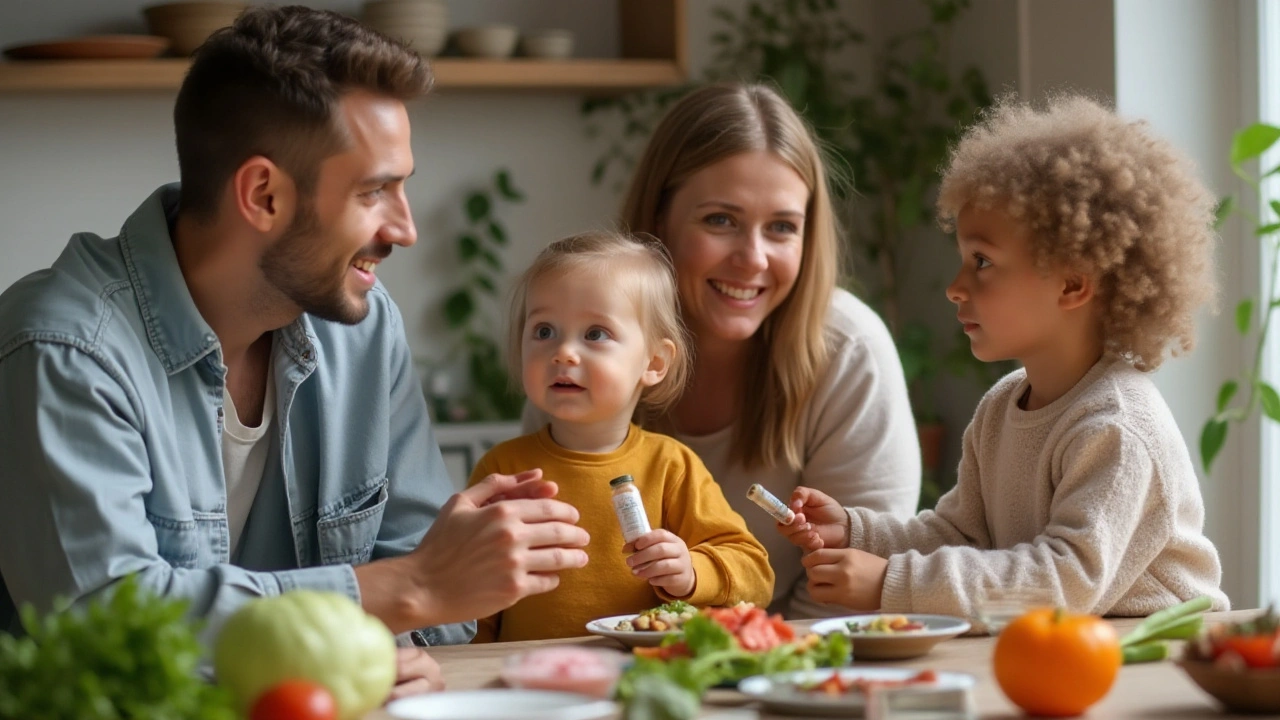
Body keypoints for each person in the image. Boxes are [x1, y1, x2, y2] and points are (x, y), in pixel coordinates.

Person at [0, 5, 590, 697]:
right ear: (263, 195)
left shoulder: (363, 328)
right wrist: (406, 590)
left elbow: (435, 597)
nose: (405, 228)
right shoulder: (65, 352)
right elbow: (105, 633)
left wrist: (399, 616)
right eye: (375, 191)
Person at [779, 94, 1230, 619]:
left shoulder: (1117, 427)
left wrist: (892, 583)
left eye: (983, 262)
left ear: (1073, 284)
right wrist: (860, 533)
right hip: (1055, 654)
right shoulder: (1001, 408)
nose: (954, 287)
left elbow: (1064, 581)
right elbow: (961, 534)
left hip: (1151, 663)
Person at [527, 82, 922, 619]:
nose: (753, 258)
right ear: (659, 219)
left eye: (782, 228)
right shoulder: (580, 341)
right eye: (720, 220)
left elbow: (848, 582)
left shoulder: (851, 349)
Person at [472, 231, 773, 642]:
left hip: (643, 675)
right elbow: (470, 605)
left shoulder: (672, 466)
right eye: (543, 331)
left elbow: (755, 573)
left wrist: (691, 572)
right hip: (528, 681)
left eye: (595, 334)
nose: (562, 352)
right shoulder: (502, 470)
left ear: (654, 362)